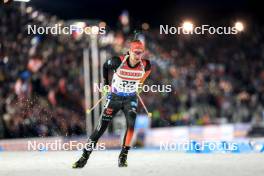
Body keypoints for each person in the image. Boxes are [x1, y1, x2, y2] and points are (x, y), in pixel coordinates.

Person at [72, 40, 151, 168]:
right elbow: (105, 66)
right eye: (136, 52)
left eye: (140, 53)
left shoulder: (146, 64)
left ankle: (123, 157)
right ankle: (84, 157)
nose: (138, 56)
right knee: (100, 129)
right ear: (130, 51)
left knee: (131, 125)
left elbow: (147, 72)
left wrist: (140, 84)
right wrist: (106, 85)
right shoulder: (118, 61)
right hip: (114, 98)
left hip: (130, 98)